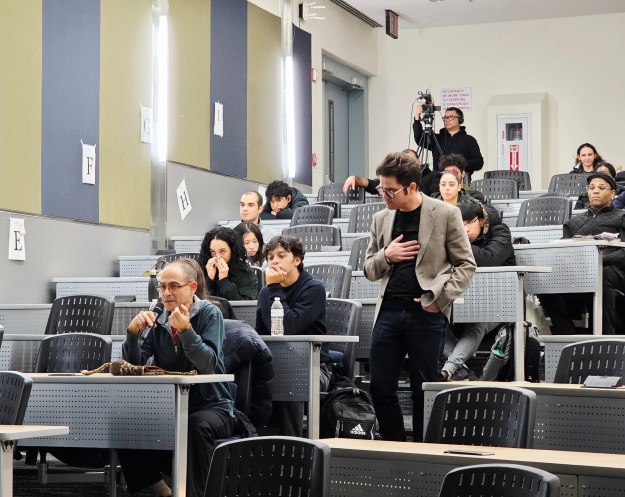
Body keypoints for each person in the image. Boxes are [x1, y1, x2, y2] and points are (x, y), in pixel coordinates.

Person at [364, 152, 476, 442]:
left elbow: (466, 265)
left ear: (411, 187)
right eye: (381, 189)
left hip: (426, 313)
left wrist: (441, 300)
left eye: (390, 190)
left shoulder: (446, 214)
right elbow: (368, 269)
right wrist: (387, 255)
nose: (384, 195)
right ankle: (395, 447)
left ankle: (423, 450)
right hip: (388, 312)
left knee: (422, 389)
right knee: (379, 387)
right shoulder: (380, 218)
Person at [118, 259, 235, 497]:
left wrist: (185, 331)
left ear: (192, 287)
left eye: (173, 286)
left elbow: (208, 364)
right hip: (169, 405)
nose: (166, 293)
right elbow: (135, 365)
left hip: (212, 406)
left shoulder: (210, 314)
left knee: (195, 425)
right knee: (125, 420)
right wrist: (132, 335)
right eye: (162, 287)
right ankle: (160, 488)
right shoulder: (158, 316)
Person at [255, 235, 331, 436]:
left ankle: (292, 446)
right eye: (270, 257)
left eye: (281, 255)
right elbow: (263, 332)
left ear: (297, 260)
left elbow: (286, 327)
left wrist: (274, 288)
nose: (274, 261)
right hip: (276, 363)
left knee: (289, 376)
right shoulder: (266, 292)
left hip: (313, 366)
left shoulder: (313, 288)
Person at [539, 172, 625, 334]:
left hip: (615, 271)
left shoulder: (622, 217)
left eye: (601, 188)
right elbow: (563, 251)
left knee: (603, 273)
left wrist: (598, 259)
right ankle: (566, 332)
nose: (595, 191)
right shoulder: (573, 222)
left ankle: (606, 336)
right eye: (592, 188)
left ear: (613, 193)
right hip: (579, 272)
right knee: (544, 279)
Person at [441, 201, 516, 381]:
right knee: (432, 320)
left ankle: (447, 370)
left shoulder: (501, 232)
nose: (465, 228)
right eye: (461, 224)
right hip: (466, 300)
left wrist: (456, 242)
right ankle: (460, 369)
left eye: (470, 222)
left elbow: (487, 259)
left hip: (502, 302)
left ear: (481, 220)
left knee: (477, 323)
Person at [413, 106, 484, 181]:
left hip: (461, 181)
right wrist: (417, 118)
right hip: (438, 182)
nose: (447, 120)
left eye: (451, 117)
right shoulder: (436, 138)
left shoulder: (469, 140)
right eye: (445, 117)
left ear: (460, 119)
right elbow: (419, 138)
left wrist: (459, 164)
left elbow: (479, 162)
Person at [199, 227, 259, 301]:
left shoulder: (245, 273)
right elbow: (198, 300)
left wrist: (224, 281)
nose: (217, 257)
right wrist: (209, 279)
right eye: (213, 252)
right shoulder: (202, 269)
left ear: (232, 250)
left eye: (222, 251)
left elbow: (245, 305)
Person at [342, 149, 431, 195]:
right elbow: (372, 184)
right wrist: (354, 178)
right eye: (405, 162)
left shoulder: (431, 176)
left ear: (418, 161)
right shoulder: (395, 179)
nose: (408, 165)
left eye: (411, 161)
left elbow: (434, 198)